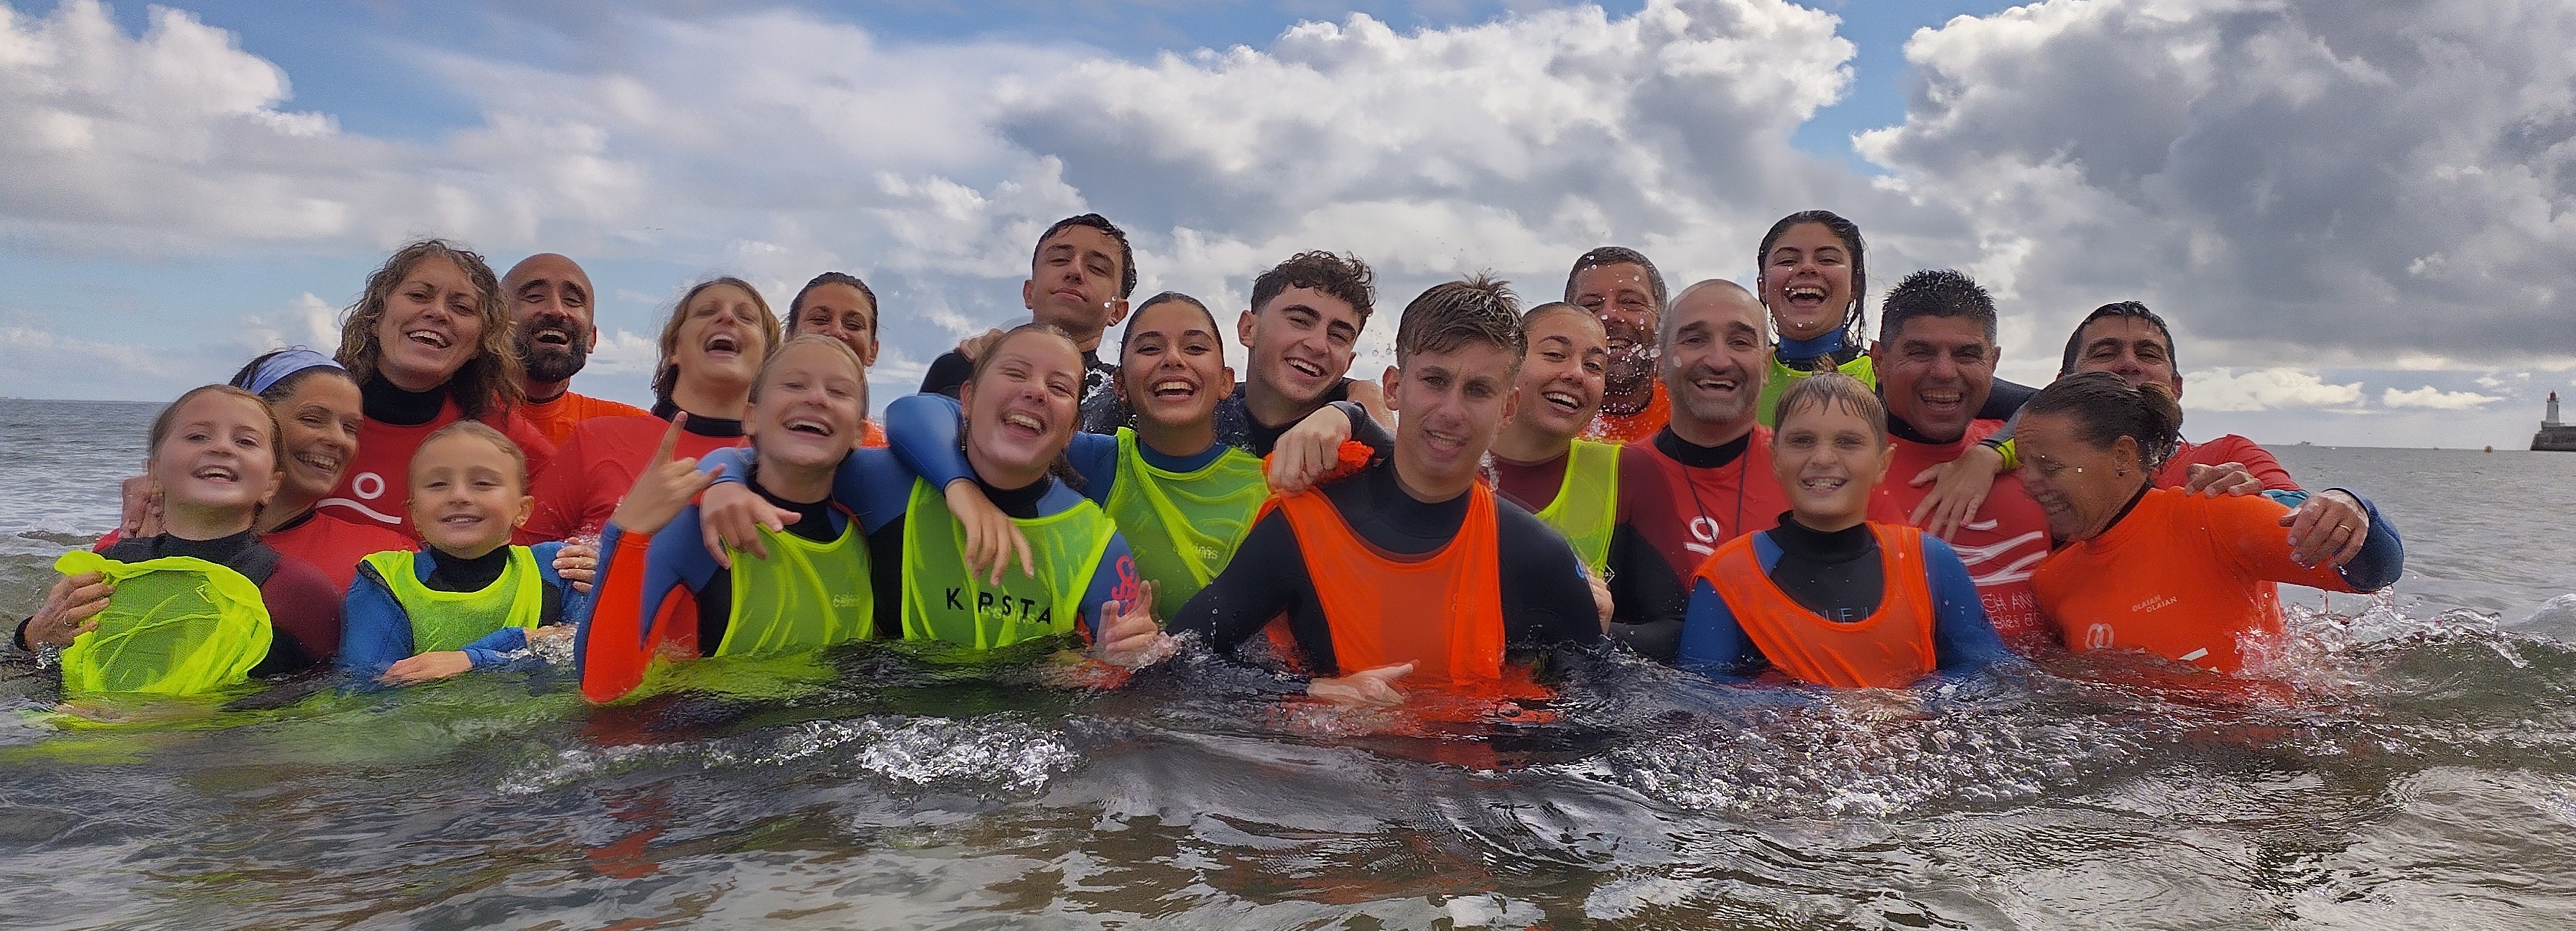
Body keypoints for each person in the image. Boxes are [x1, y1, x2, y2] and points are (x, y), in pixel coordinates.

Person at [1160, 277, 1602, 705]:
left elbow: (1598, 708)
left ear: (1508, 408)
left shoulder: (1537, 557)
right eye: (1434, 380)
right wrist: (1307, 694)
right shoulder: (1303, 528)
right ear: (1394, 387)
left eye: (1478, 391)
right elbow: (1174, 661)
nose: (1451, 411)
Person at [635, 328, 1159, 682]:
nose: (1035, 392)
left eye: (1059, 387)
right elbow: (778, 458)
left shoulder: (1094, 541)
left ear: (1071, 429)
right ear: (968, 401)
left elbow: (1122, 672)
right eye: (1016, 373)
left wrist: (1128, 656)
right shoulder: (885, 482)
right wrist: (724, 480)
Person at [861, 293, 1374, 622]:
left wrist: (1350, 413)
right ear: (1121, 387)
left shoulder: (1276, 483)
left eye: (1194, 348)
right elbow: (915, 412)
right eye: (1150, 348)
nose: (1173, 358)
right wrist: (960, 485)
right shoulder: (1097, 462)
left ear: (1224, 383)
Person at [578, 338, 903, 703]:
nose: (816, 398)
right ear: (751, 418)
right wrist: (627, 533)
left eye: (838, 391)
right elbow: (602, 692)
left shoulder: (865, 529)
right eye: (794, 385)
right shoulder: (691, 530)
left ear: (859, 434)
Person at [2021, 373, 2404, 673]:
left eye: (2049, 466)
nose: (2028, 482)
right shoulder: (2053, 581)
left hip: (2267, 763)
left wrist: (2355, 506)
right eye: (2024, 464)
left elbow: (2375, 574)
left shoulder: (2215, 517)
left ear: (2123, 455)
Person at [1676, 374, 2008, 687]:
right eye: (1802, 441)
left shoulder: (1931, 562)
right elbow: (1705, 700)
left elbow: (1990, 675)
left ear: (1883, 463)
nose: (1822, 458)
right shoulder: (1728, 578)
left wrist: (1911, 703)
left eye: (1848, 442)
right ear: (1774, 458)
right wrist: (1831, 708)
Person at [19, 386, 341, 695]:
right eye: (197, 436)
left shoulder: (294, 588)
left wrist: (192, 714)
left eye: (245, 441)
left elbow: (322, 695)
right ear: (155, 474)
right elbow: (44, 671)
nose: (222, 448)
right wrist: (32, 639)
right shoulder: (112, 567)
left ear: (272, 485)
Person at [2057, 300, 2373, 567]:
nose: (2129, 364)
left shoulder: (2225, 458)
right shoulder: (2029, 469)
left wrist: (2348, 505)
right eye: (2104, 353)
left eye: (2149, 354)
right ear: (2062, 384)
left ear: (2175, 387)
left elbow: (2362, 562)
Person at [102, 349, 414, 595]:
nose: (337, 439)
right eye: (312, 419)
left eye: (350, 428)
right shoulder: (126, 549)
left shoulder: (387, 558)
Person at [1483, 301, 1688, 653]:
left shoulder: (1629, 474)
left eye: (1594, 366)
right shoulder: (1451, 459)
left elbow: (1678, 630)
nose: (1576, 374)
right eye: (1554, 354)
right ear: (1507, 364)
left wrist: (1602, 631)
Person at [1866, 269, 2054, 641]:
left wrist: (1990, 455)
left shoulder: (2034, 450)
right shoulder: (1841, 468)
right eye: (1919, 352)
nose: (1944, 371)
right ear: (1878, 361)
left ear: (1994, 362)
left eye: (1967, 354)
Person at [323, 239, 557, 535]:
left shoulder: (506, 438)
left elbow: (571, 529)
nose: (438, 312)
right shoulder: (306, 416)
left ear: (479, 344)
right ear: (375, 317)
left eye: (462, 307)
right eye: (419, 295)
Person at [518, 277, 778, 542]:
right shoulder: (596, 439)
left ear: (769, 360)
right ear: (674, 348)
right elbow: (519, 560)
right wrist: (566, 564)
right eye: (706, 312)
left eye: (746, 317)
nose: (726, 317)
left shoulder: (784, 459)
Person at [1616, 280, 1793, 655]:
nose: (1718, 360)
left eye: (1741, 342)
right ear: (1661, 363)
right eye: (1694, 340)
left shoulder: (1809, 473)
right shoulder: (1617, 477)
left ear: (1764, 366)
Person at [340, 422, 580, 686]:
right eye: (438, 484)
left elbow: (594, 652)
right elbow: (364, 688)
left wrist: (473, 659)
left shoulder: (560, 566)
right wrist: (521, 642)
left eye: (483, 483)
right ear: (415, 514)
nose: (459, 496)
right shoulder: (386, 579)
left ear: (522, 510)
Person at [1752, 210, 2038, 427]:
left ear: (1854, 286)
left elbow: (2043, 405)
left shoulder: (1885, 373)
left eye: (1827, 259)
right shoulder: (1744, 377)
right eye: (1787, 260)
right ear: (1763, 286)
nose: (1807, 268)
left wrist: (1992, 454)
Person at [919, 214, 1132, 431]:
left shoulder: (1125, 395)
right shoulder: (963, 368)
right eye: (1059, 259)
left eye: (1096, 268)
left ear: (1117, 311)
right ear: (1029, 293)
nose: (1074, 271)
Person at [506, 253, 648, 445]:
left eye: (572, 300)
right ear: (493, 324)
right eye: (534, 296)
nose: (557, 310)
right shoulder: (457, 417)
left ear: (592, 338)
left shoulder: (636, 432)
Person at [1566, 246, 1672, 444]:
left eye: (1630, 302)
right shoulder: (1534, 415)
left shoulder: (1695, 408)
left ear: (1663, 322)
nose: (1610, 315)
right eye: (1591, 305)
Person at [784, 271, 889, 447]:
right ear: (788, 338)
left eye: (853, 325)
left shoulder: (890, 456)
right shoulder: (755, 438)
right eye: (819, 319)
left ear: (873, 351)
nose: (837, 331)